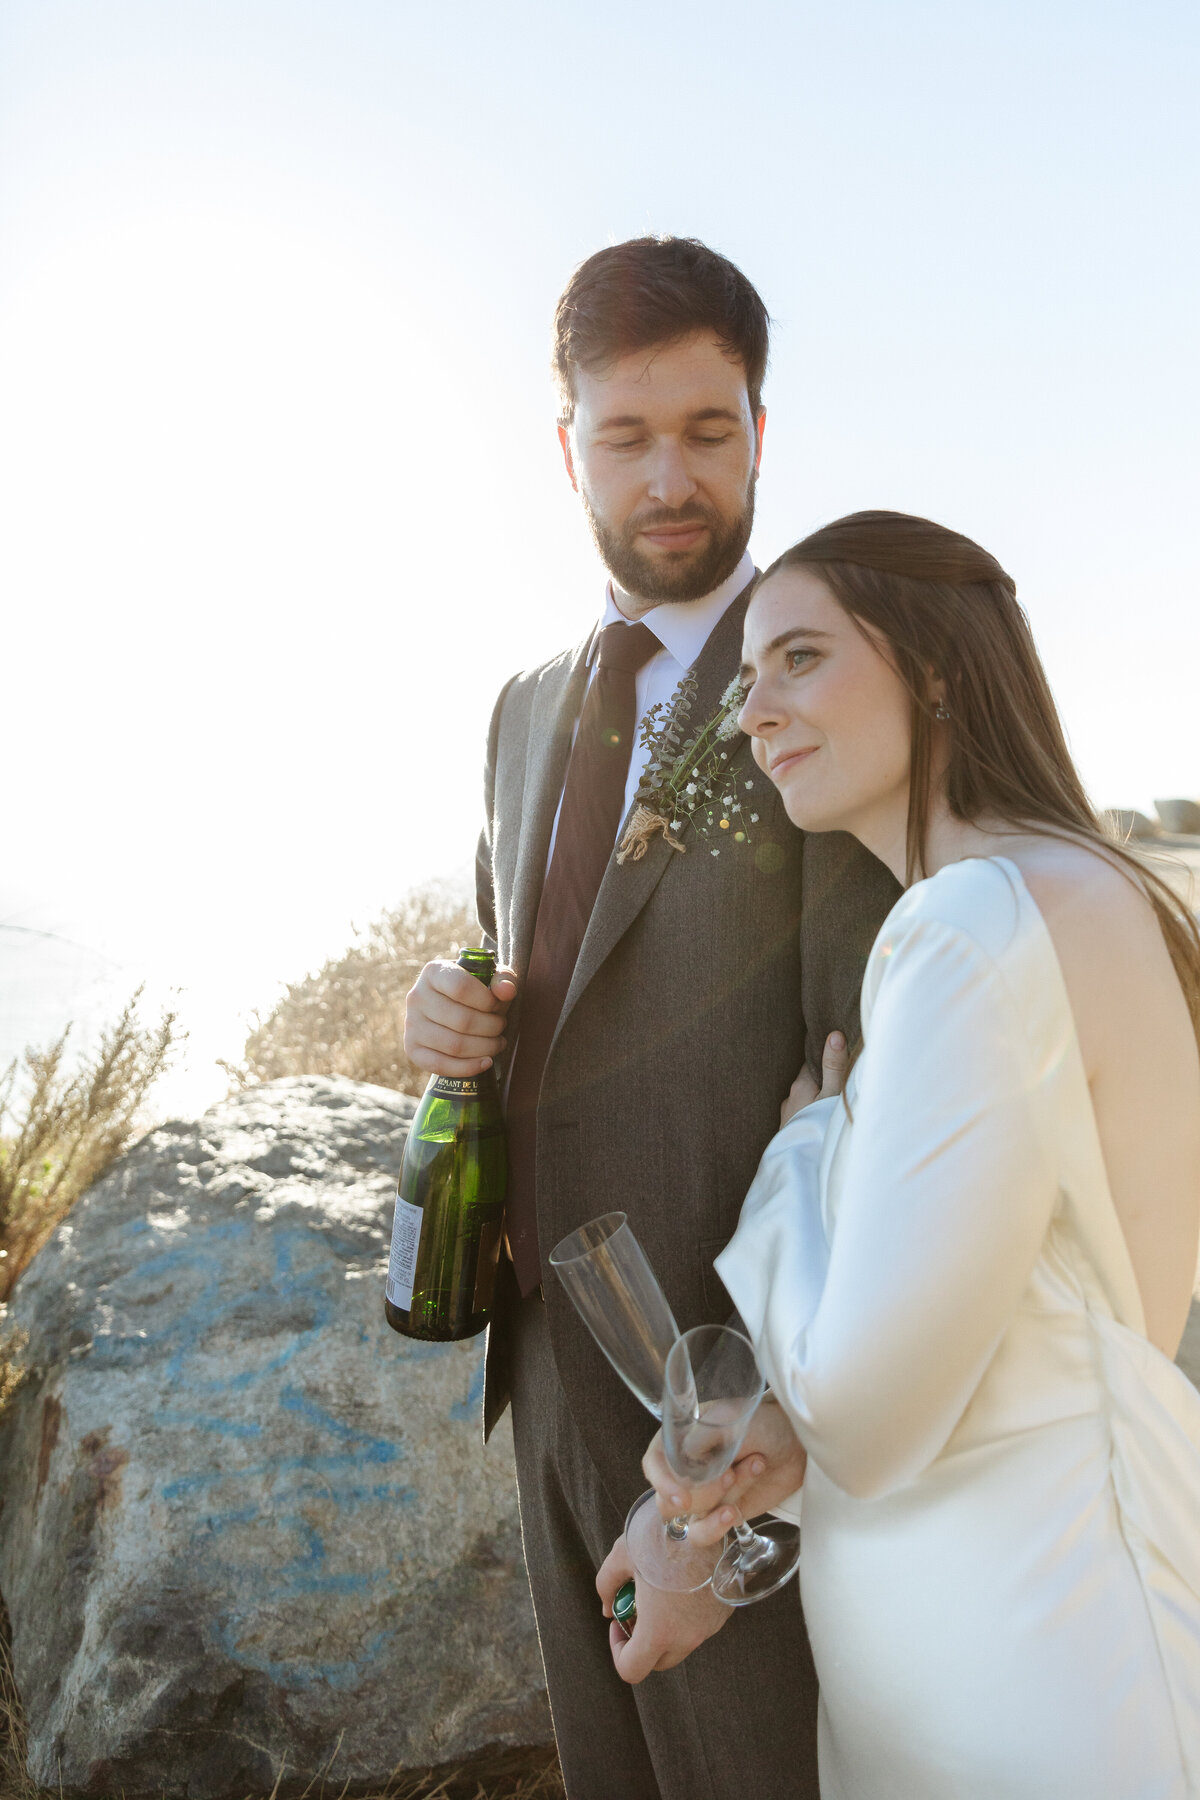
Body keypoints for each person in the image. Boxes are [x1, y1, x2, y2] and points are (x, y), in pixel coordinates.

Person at [401, 240, 900, 1800]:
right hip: (538, 1366)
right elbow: (528, 965)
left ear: (763, 430)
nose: (668, 477)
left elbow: (867, 1103)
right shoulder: (525, 703)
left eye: (709, 430)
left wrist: (721, 1485)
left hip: (733, 1402)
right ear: (569, 450)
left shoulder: (828, 684)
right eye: (626, 437)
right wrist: (447, 1015)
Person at [633, 509, 1200, 1797]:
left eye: (799, 659)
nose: (753, 713)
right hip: (1028, 1633)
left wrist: (800, 1163)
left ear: (934, 663)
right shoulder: (1076, 890)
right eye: (744, 679)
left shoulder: (967, 926)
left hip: (1020, 1676)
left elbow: (865, 1417)